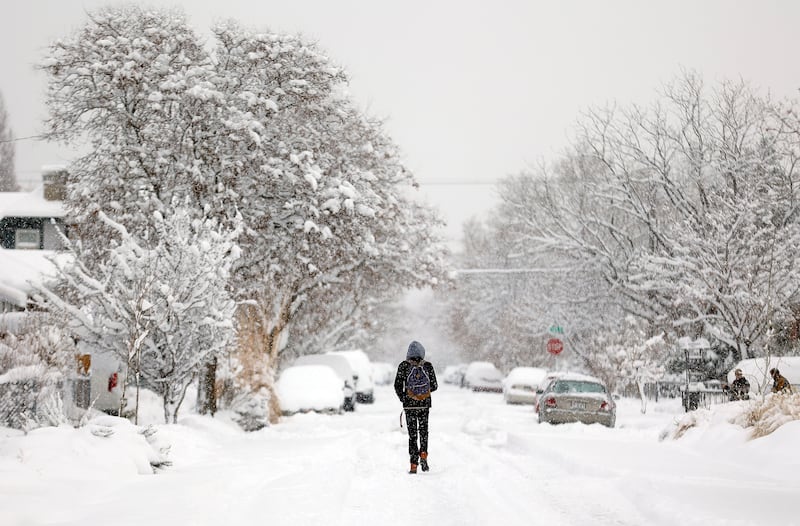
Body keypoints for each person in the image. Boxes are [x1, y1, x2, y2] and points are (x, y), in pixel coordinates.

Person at [394, 340, 438, 474]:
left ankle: (413, 465)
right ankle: (423, 455)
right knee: (424, 432)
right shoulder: (428, 366)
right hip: (424, 405)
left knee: (413, 435)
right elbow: (435, 386)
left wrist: (405, 398)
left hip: (410, 406)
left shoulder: (403, 366)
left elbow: (397, 385)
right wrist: (423, 394)